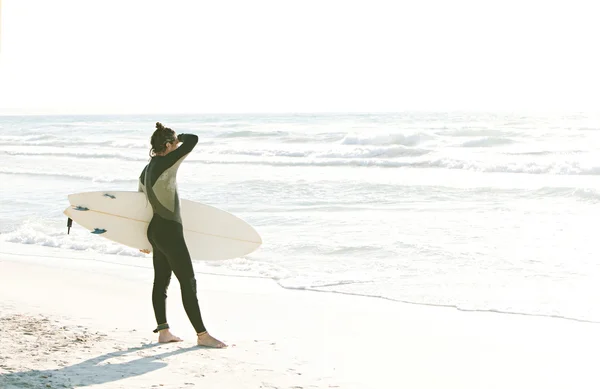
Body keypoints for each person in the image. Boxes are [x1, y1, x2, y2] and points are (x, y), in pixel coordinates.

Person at [138, 122, 226, 348]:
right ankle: (202, 335)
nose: (177, 147)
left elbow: (140, 203)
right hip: (169, 232)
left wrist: (140, 239)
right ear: (167, 145)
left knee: (161, 282)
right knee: (188, 282)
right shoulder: (167, 161)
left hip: (155, 230)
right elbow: (193, 139)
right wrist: (178, 138)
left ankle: (164, 332)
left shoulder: (146, 170)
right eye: (174, 144)